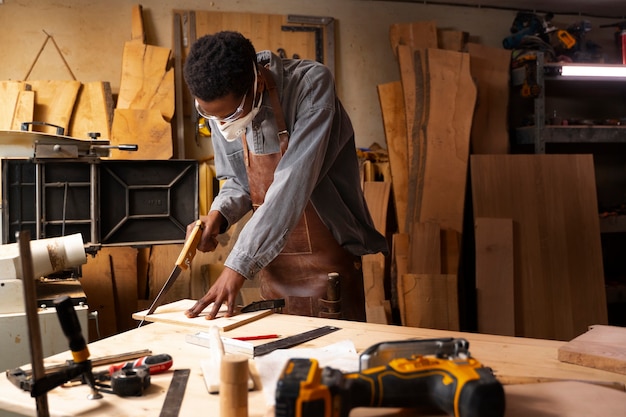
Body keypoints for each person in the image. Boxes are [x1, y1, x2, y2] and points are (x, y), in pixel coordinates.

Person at [182, 31, 388, 322]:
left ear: (256, 82)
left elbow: (292, 184)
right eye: (210, 115)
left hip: (328, 259)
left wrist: (238, 265)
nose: (222, 125)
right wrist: (219, 214)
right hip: (275, 264)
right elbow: (239, 181)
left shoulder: (311, 86)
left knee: (336, 357)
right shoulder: (219, 110)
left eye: (230, 115)